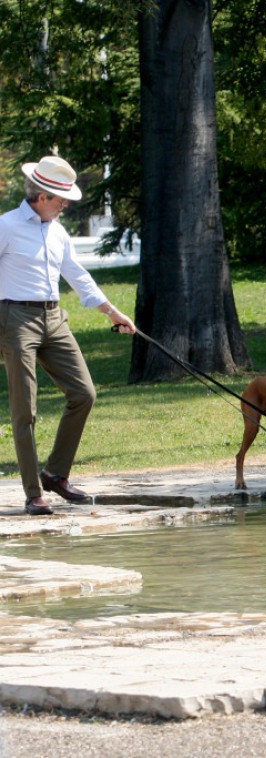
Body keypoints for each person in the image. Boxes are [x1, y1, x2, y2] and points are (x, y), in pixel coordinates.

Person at [0, 156, 136, 516]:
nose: (65, 206)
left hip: (54, 318)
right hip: (15, 319)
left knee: (84, 393)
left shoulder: (57, 231)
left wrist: (113, 312)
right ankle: (33, 494)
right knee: (24, 409)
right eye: (61, 200)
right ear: (42, 195)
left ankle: (55, 474)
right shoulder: (7, 226)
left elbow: (77, 275)